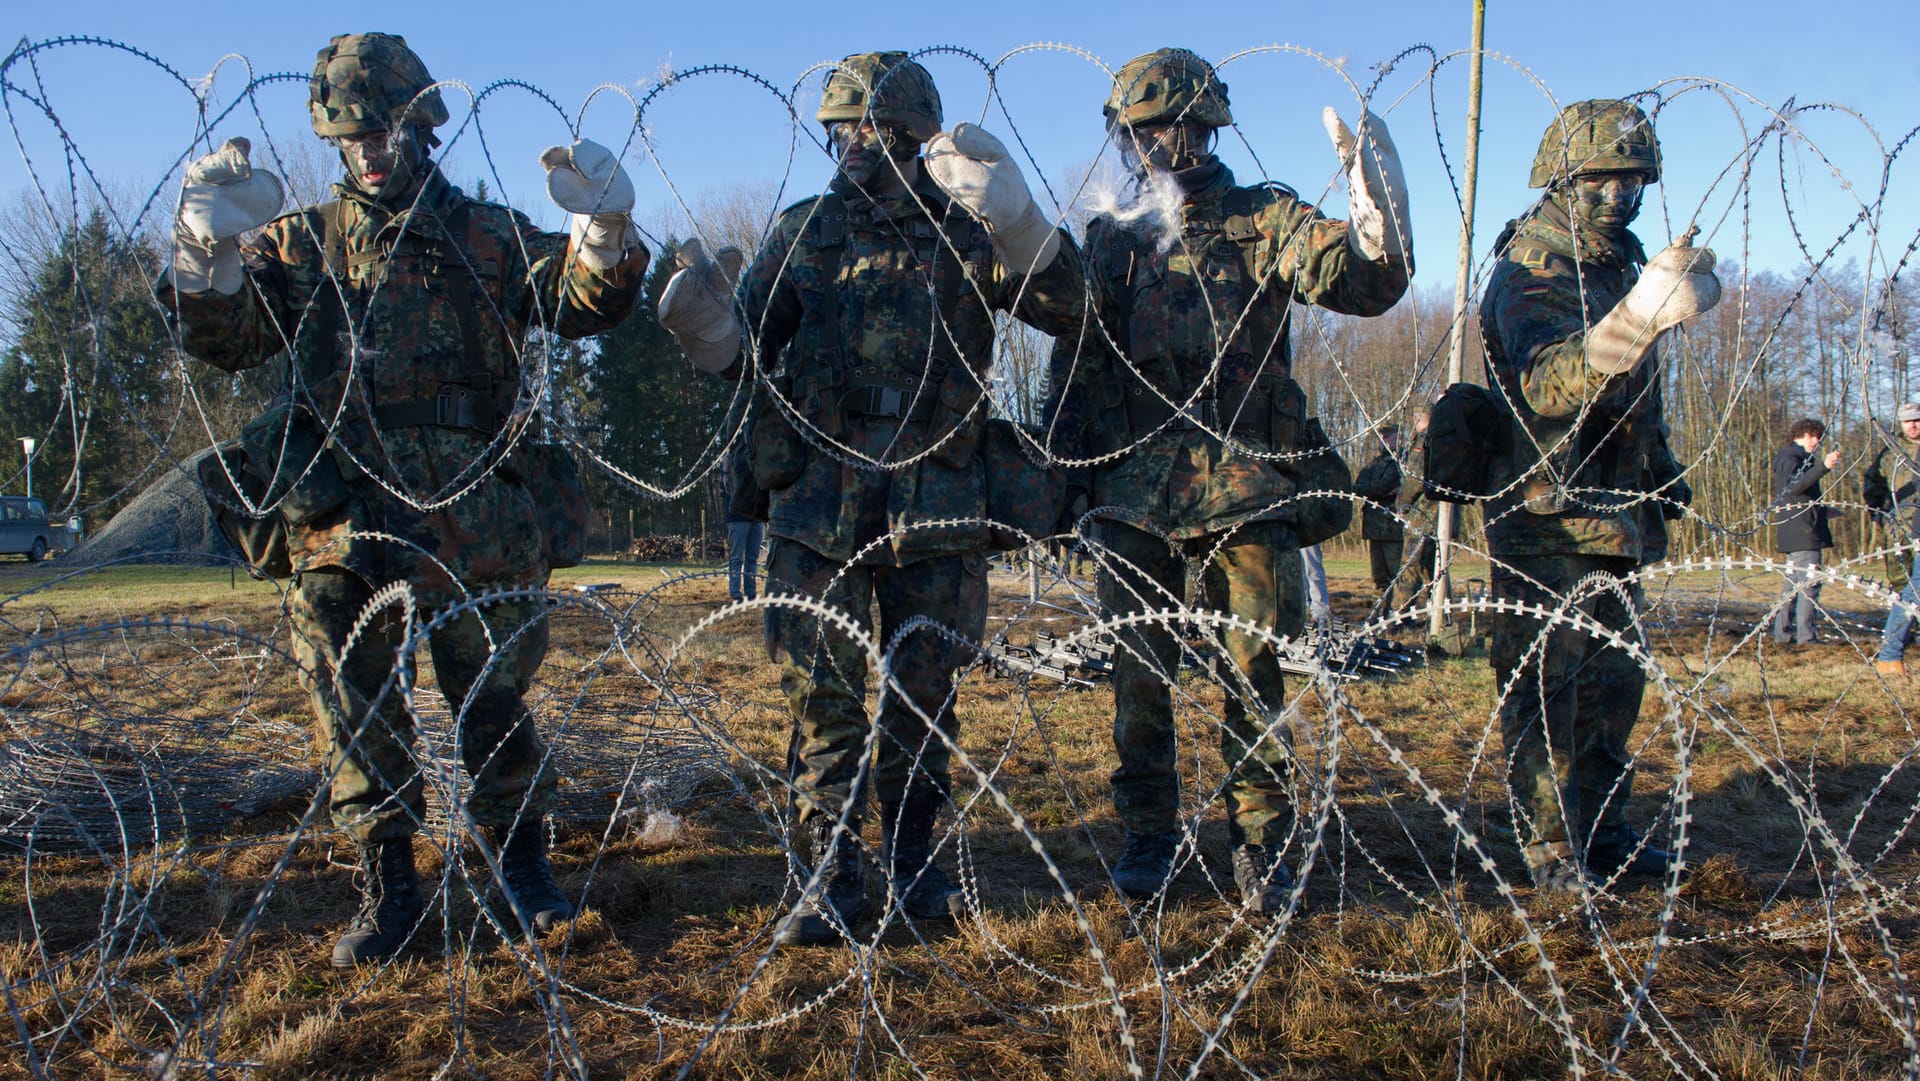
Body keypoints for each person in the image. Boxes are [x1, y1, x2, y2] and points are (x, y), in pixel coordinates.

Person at [160, 33, 648, 966]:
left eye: (384, 129)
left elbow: (582, 301)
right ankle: (388, 881)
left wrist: (605, 237)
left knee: (490, 688)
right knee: (349, 687)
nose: (371, 151)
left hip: (471, 500)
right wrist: (203, 249)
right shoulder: (301, 242)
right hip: (343, 499)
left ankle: (522, 865)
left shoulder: (487, 236)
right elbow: (227, 336)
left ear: (420, 125)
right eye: (353, 137)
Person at [657, 51, 1085, 944]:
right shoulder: (802, 233)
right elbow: (751, 355)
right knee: (823, 699)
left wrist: (1020, 226)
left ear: (911, 136)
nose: (853, 147)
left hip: (937, 500)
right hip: (820, 504)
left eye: (872, 131)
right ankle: (828, 873)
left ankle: (919, 869)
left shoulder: (965, 235)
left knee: (926, 695)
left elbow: (1066, 309)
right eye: (839, 131)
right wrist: (709, 334)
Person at [1044, 48, 1411, 912]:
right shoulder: (1114, 240)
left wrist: (1378, 214)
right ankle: (1148, 830)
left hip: (1246, 484)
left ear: (1203, 127)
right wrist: (1061, 475)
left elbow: (1361, 282)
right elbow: (1078, 364)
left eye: (1166, 128)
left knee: (1256, 669)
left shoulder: (1264, 217)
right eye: (1137, 133)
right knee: (1139, 672)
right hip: (1135, 489)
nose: (1152, 147)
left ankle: (1261, 837)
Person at [1479, 98, 1720, 895]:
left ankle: (1605, 832)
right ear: (1562, 179)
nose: (1620, 196)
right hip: (1545, 513)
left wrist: (1663, 468)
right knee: (1549, 693)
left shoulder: (1619, 263)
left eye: (1634, 180)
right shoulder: (1531, 267)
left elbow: (1635, 400)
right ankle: (1550, 852)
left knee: (1613, 693)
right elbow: (1548, 383)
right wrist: (1639, 319)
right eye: (1601, 179)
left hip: (1615, 510)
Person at [1769, 418, 1841, 646]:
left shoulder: (1791, 457)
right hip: (1803, 534)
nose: (1816, 442)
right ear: (1802, 435)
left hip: (1799, 529)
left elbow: (1795, 495)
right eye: (1813, 436)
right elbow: (1795, 487)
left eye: (1818, 437)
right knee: (1809, 586)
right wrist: (1824, 468)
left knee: (1792, 587)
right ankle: (1806, 638)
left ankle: (1783, 635)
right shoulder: (1792, 458)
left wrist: (1821, 510)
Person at [1867, 403, 1920, 678]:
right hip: (1900, 525)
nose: (1913, 426)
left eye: (1917, 420)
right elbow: (1872, 483)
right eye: (1908, 421)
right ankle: (1895, 646)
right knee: (1906, 585)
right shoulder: (1891, 454)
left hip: (1917, 523)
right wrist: (1876, 511)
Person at [1350, 425, 1404, 598]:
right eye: (1382, 437)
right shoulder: (1373, 464)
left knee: (1398, 575)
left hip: (1393, 526)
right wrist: (1372, 489)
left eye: (1389, 437)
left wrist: (1373, 490)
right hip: (1374, 526)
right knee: (1379, 577)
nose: (1384, 440)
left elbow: (1384, 486)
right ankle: (1381, 613)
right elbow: (1357, 486)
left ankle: (1402, 615)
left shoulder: (1403, 461)